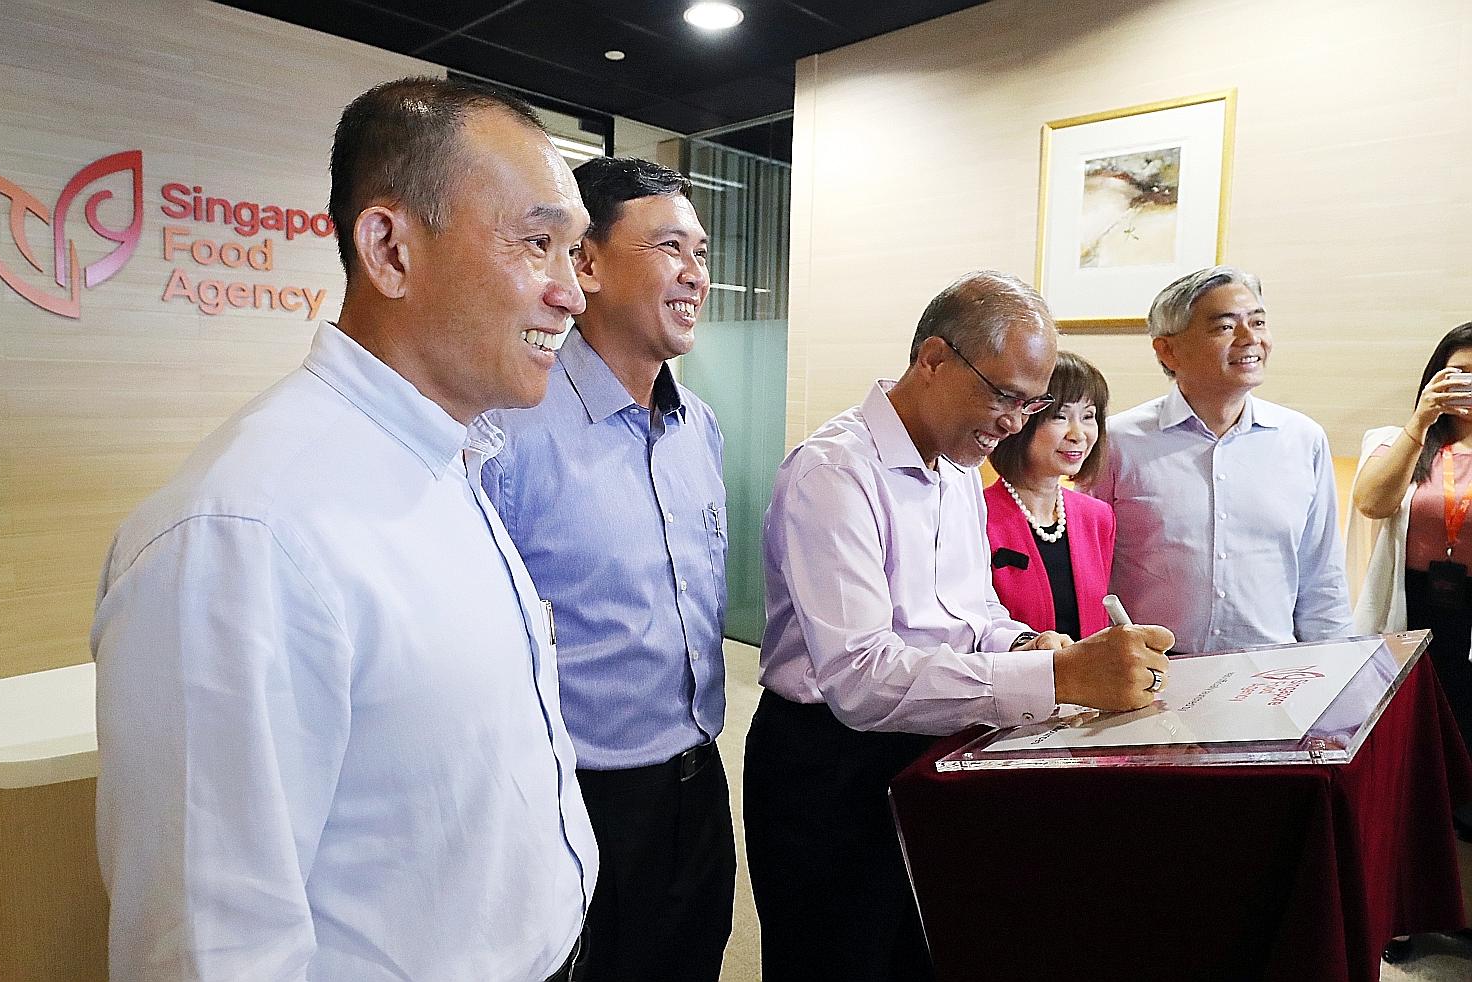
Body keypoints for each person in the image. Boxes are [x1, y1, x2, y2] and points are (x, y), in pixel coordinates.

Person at [92, 78, 597, 982]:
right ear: (390, 250)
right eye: (537, 243)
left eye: (573, 250)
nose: (572, 295)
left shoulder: (450, 455)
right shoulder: (240, 535)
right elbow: (213, 950)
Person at [744, 270, 1175, 982]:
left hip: (933, 737)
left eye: (1031, 404)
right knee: (838, 958)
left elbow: (973, 614)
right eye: (1004, 395)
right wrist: (1056, 676)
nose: (1014, 422)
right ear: (934, 359)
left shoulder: (956, 466)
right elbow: (861, 678)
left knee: (926, 952)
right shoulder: (835, 472)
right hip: (830, 761)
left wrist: (1025, 644)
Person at [482, 156, 733, 982]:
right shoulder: (512, 430)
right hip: (580, 799)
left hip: (698, 783)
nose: (695, 273)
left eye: (701, 252)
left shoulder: (700, 427)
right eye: (669, 247)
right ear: (585, 263)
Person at [1087, 265, 1352, 652]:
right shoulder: (1117, 442)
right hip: (1155, 669)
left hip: (1270, 668)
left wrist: (1336, 664)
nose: (1250, 339)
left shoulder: (1302, 439)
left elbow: (1322, 575)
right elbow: (1087, 570)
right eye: (1225, 327)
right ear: (1168, 350)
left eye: (1258, 322)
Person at [1350, 322, 1472, 830]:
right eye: (1460, 373)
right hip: (1414, 604)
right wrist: (1422, 421)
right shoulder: (1395, 440)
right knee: (1415, 732)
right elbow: (1372, 502)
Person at [984, 351, 1115, 638]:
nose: (1078, 434)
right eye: (1060, 416)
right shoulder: (977, 515)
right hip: (1010, 666)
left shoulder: (1097, 517)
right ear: (1022, 421)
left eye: (1088, 416)